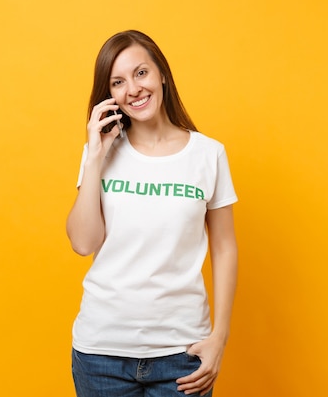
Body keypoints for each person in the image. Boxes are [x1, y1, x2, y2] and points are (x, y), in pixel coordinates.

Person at [66, 30, 238, 397]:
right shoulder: (100, 154)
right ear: (109, 94)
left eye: (140, 73)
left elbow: (224, 248)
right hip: (101, 354)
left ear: (162, 73)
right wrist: (95, 156)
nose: (133, 89)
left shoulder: (209, 155)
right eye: (118, 82)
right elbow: (83, 243)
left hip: (182, 354)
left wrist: (219, 338)